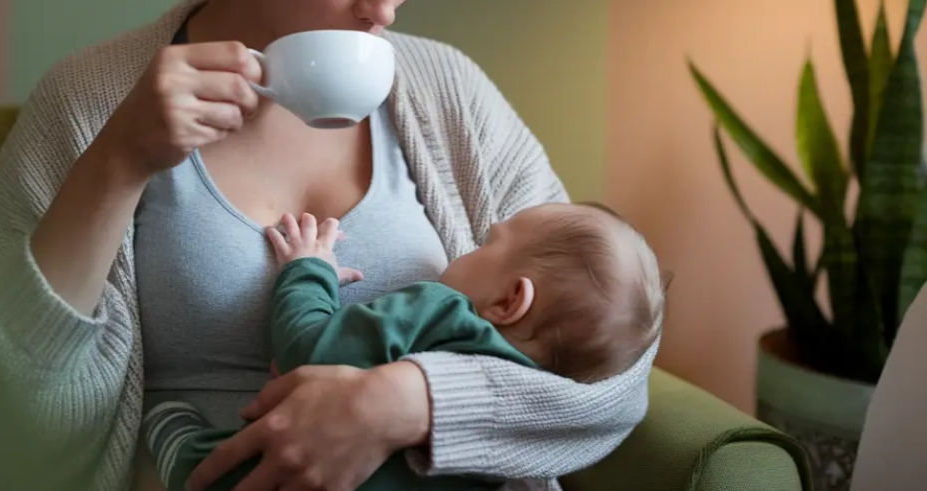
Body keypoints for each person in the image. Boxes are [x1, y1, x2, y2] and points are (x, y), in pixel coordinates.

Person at [0, 0, 659, 491]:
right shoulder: (95, 98)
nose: (384, 7)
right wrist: (119, 160)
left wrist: (406, 403)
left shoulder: (451, 94)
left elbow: (612, 368)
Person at [142, 203, 667, 491]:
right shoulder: (514, 431)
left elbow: (308, 349)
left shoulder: (438, 309)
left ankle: (175, 442)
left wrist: (309, 270)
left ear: (509, 300)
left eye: (487, 244)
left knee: (216, 467)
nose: (466, 248)